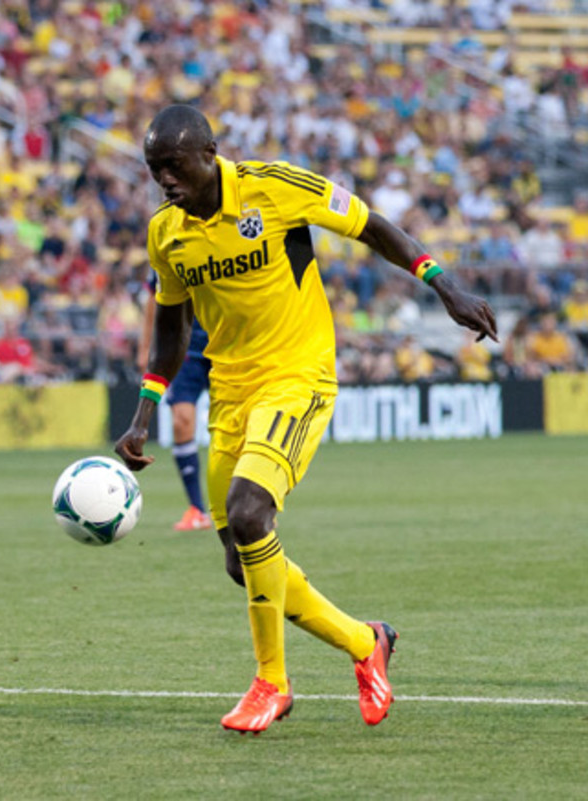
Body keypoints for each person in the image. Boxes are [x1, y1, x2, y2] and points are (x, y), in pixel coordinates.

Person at [114, 105, 497, 734]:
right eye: (155, 168)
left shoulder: (275, 187)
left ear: (210, 153)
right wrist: (144, 412)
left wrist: (443, 284)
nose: (165, 180)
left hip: (297, 375)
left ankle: (271, 683)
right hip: (230, 392)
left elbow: (371, 225)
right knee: (240, 561)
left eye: (174, 165)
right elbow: (171, 328)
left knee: (248, 514)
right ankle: (365, 641)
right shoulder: (167, 233)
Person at [139, 284, 212, 531]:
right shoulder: (164, 258)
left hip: (226, 342)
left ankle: (247, 502)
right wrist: (145, 347)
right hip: (185, 347)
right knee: (181, 421)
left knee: (237, 425)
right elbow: (153, 297)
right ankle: (197, 509)